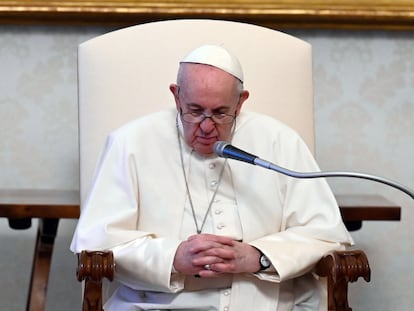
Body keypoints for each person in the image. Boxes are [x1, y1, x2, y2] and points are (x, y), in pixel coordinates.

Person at [71, 44, 353, 310]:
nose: (206, 127)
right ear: (176, 96)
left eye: (220, 113)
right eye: (194, 111)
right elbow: (98, 244)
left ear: (241, 102)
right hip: (154, 305)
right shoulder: (130, 142)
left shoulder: (280, 142)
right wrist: (173, 257)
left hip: (264, 303)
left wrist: (259, 257)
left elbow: (325, 236)